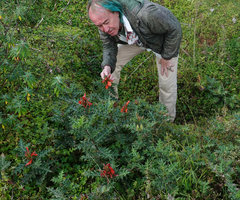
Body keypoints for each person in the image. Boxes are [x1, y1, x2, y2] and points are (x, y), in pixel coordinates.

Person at [88, 0, 182, 121]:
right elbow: (108, 46)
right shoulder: (103, 22)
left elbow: (174, 28)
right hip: (133, 38)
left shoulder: (147, 14)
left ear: (116, 12)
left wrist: (167, 56)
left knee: (166, 83)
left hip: (161, 43)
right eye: (99, 26)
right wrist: (107, 65)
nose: (104, 29)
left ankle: (166, 121)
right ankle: (110, 108)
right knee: (110, 69)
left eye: (106, 23)